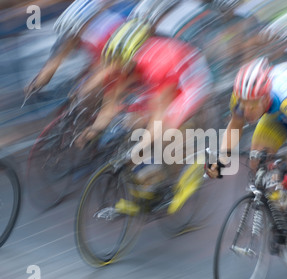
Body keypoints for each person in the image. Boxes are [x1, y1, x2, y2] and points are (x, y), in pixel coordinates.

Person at [206, 57, 287, 271]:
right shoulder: (242, 97)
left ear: (265, 96)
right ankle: (278, 206)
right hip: (279, 110)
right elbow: (235, 126)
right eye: (244, 103)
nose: (247, 110)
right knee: (256, 158)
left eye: (252, 104)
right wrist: (220, 160)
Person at [75, 18, 212, 214]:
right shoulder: (119, 66)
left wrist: (141, 147)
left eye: (123, 67)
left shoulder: (158, 64)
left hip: (189, 80)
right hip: (156, 81)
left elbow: (158, 116)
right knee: (131, 120)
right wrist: (92, 131)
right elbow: (109, 107)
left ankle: (186, 171)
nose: (118, 72)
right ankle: (149, 182)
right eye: (116, 66)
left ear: (133, 59)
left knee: (167, 129)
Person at [24, 0, 137, 97]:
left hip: (114, 45)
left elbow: (112, 64)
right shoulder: (78, 32)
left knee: (95, 87)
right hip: (102, 42)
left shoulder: (111, 26)